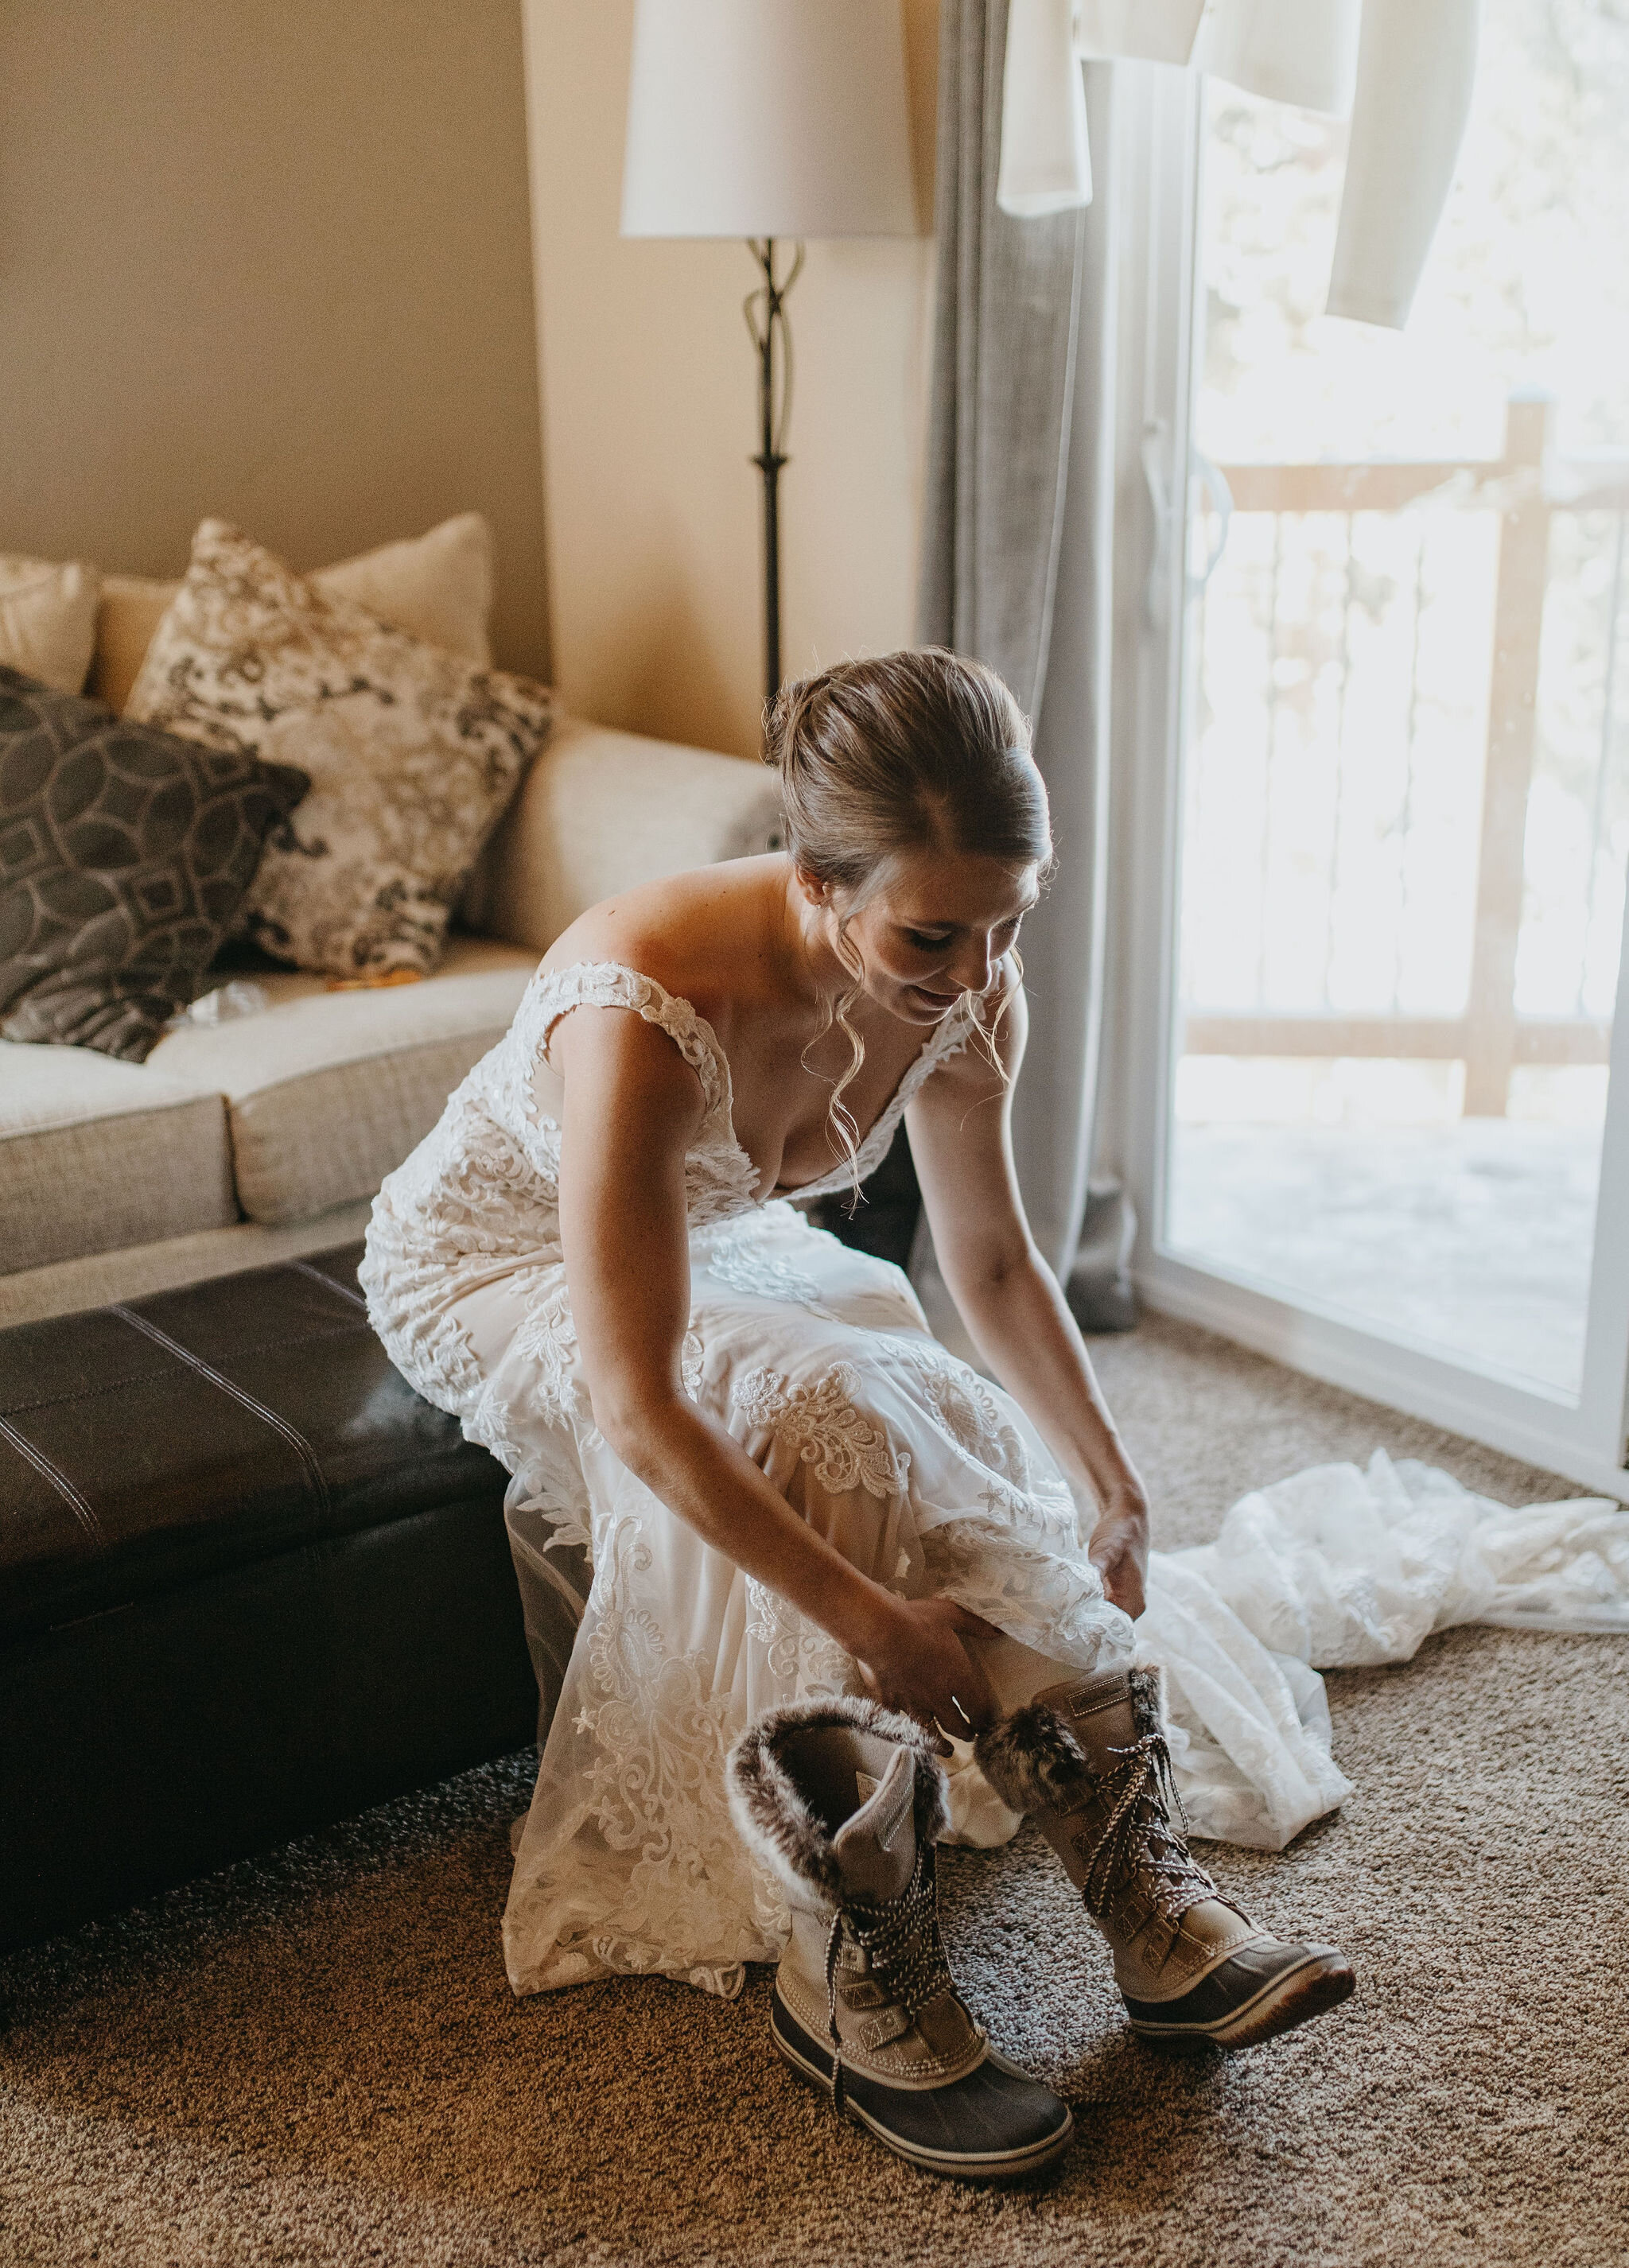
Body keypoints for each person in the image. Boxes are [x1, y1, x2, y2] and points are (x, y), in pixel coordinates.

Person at [361, 649, 1355, 2177]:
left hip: (716, 1240)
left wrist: (1115, 1481)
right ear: (817, 887)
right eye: (933, 935)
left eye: (1010, 922)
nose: (976, 976)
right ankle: (841, 1960)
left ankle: (1135, 1893)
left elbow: (999, 1261)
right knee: (820, 1411)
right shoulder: (635, 1003)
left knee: (934, 1404)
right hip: (495, 1264)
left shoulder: (969, 985)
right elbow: (639, 1403)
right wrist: (878, 1621)